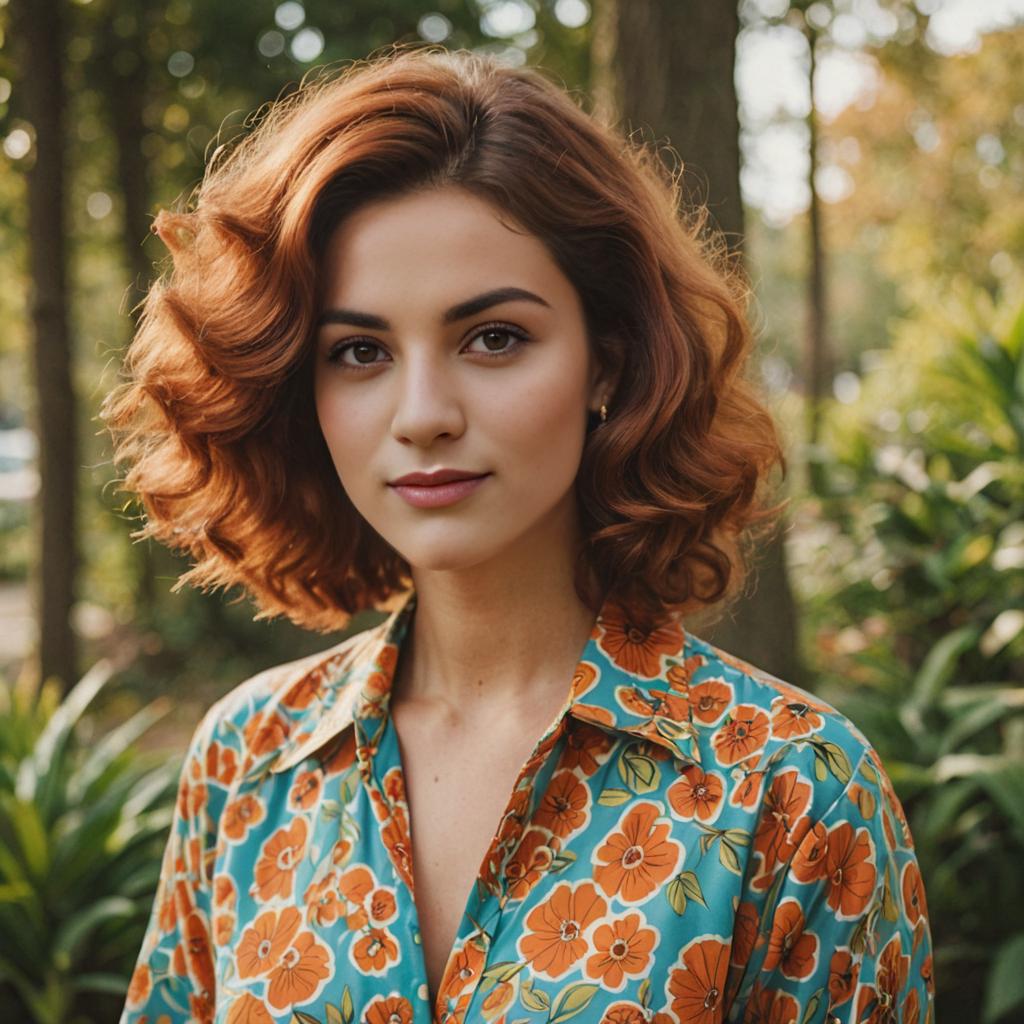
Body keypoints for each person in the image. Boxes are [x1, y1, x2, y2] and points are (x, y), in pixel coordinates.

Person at [104, 44, 934, 1024]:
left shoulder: (790, 791)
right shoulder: (247, 762)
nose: (422, 413)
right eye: (360, 350)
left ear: (608, 366)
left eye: (492, 337)